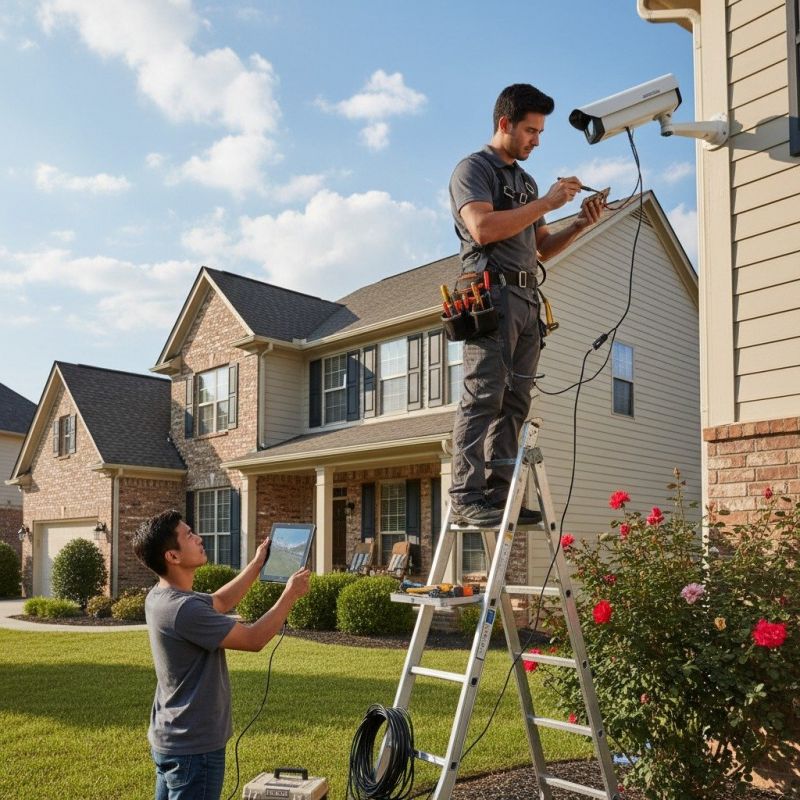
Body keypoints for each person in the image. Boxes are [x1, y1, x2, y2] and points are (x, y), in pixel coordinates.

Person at [449, 83, 605, 527]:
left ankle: (499, 495)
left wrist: (577, 221)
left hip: (525, 297)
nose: (537, 139)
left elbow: (541, 248)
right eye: (531, 130)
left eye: (540, 131)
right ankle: (465, 494)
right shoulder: (473, 169)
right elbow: (481, 228)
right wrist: (547, 202)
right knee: (483, 397)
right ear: (505, 124)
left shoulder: (526, 181)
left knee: (515, 402)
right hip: (490, 295)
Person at [131, 509, 311, 800]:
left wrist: (256, 563)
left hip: (172, 738)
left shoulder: (161, 596)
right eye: (189, 535)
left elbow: (221, 600)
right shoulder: (183, 609)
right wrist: (290, 594)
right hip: (195, 747)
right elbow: (253, 639)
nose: (199, 538)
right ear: (172, 556)